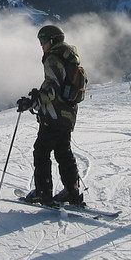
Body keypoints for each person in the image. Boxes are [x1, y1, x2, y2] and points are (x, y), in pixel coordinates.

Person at [16, 24, 85, 206]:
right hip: (68, 115)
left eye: (43, 41)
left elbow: (52, 89)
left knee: (41, 150)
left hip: (54, 115)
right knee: (63, 151)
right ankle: (72, 191)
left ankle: (43, 192)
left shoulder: (53, 58)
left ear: (52, 41)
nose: (41, 45)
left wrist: (32, 102)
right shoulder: (69, 58)